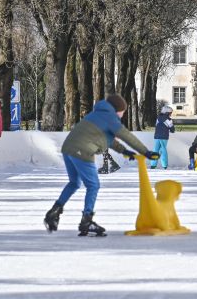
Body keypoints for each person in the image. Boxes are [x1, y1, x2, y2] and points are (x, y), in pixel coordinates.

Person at [43, 94, 160, 236]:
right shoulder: (110, 117)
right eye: (123, 111)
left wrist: (124, 151)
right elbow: (126, 135)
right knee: (93, 185)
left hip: (68, 148)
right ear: (118, 109)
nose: (123, 115)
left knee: (74, 183)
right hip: (82, 150)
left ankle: (53, 212)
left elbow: (108, 140)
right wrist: (146, 152)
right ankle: (86, 221)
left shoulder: (97, 115)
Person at [150, 105, 175, 169]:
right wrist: (172, 130)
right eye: (170, 113)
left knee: (155, 150)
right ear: (167, 112)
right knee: (163, 150)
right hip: (164, 137)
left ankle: (153, 165)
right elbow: (172, 129)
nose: (170, 114)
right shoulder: (169, 119)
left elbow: (156, 125)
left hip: (156, 136)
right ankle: (164, 165)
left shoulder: (158, 118)